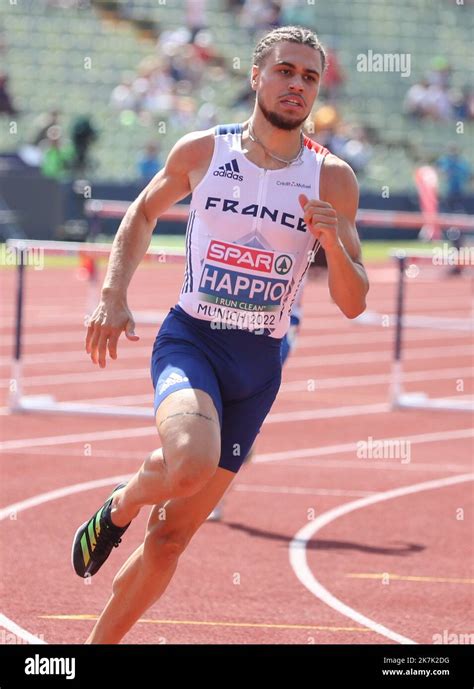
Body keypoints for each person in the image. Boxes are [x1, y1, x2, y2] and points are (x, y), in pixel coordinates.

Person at [72, 25, 369, 644]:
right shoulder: (204, 151)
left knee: (172, 538)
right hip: (194, 340)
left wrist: (331, 242)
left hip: (258, 366)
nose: (296, 85)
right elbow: (143, 210)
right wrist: (112, 295)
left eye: (309, 77)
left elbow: (353, 302)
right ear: (256, 76)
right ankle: (122, 503)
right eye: (285, 71)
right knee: (190, 463)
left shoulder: (332, 179)